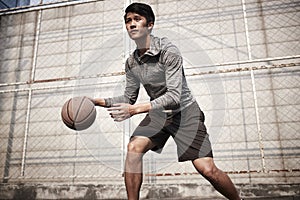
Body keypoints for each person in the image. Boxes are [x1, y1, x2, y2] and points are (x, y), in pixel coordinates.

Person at [92, 3, 241, 200]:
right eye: (128, 21)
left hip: (186, 113)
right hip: (159, 115)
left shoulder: (168, 51)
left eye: (137, 19)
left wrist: (135, 110)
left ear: (150, 25)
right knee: (134, 149)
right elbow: (129, 98)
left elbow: (174, 96)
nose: (132, 24)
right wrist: (95, 101)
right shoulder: (131, 62)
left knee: (207, 170)